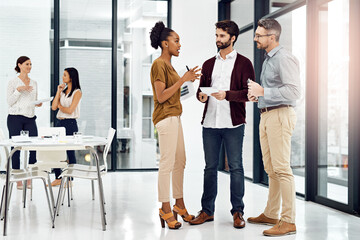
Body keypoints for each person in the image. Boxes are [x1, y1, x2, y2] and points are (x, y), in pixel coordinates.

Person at [189, 20, 255, 229]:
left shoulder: (244, 63)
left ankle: (238, 211)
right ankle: (207, 211)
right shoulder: (209, 63)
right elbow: (202, 91)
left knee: (236, 167)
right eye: (217, 35)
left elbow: (248, 93)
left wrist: (226, 95)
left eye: (222, 36)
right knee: (209, 168)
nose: (218, 40)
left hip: (233, 124)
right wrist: (201, 97)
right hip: (210, 123)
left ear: (232, 38)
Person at [247, 18, 300, 236]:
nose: (255, 38)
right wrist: (258, 97)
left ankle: (288, 221)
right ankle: (271, 213)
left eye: (259, 35)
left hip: (280, 115)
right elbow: (270, 89)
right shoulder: (268, 59)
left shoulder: (284, 58)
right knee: (271, 169)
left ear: (272, 36)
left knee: (282, 169)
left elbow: (295, 92)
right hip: (267, 115)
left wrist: (264, 93)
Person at [149, 21, 201, 229]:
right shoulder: (158, 64)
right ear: (164, 43)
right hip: (165, 118)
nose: (179, 45)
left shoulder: (169, 65)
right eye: (176, 41)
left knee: (180, 162)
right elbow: (161, 97)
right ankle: (165, 207)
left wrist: (187, 83)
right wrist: (182, 80)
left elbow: (175, 93)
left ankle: (179, 204)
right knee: (167, 164)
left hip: (175, 116)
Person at [7, 56, 43, 190]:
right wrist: (19, 90)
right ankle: (18, 179)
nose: (29, 66)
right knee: (16, 148)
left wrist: (38, 103)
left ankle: (29, 177)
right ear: (20, 65)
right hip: (15, 118)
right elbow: (9, 101)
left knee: (33, 147)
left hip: (30, 118)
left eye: (31, 64)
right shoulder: (13, 82)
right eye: (27, 64)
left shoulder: (34, 83)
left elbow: (34, 100)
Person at [51, 67, 82, 186]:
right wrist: (58, 92)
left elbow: (70, 110)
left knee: (70, 152)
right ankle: (58, 178)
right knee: (56, 151)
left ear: (71, 77)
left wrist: (59, 106)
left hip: (70, 124)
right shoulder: (63, 91)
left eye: (65, 75)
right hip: (60, 124)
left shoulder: (77, 92)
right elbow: (54, 107)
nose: (63, 77)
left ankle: (69, 180)